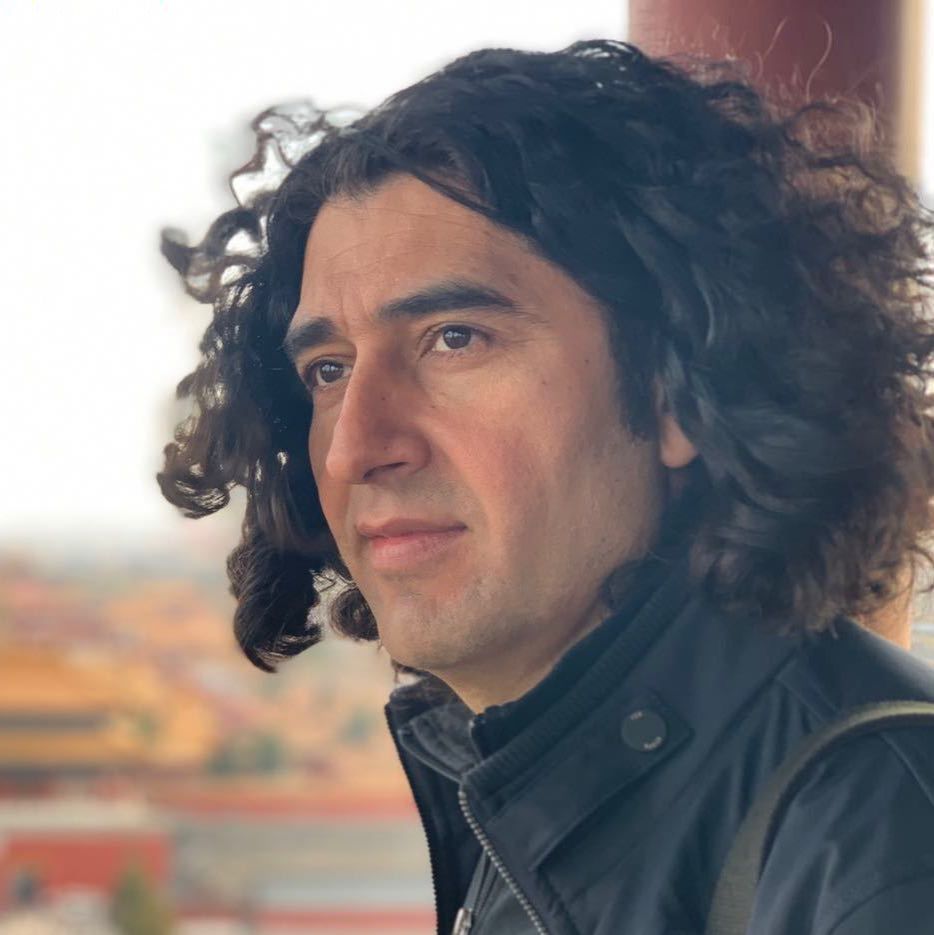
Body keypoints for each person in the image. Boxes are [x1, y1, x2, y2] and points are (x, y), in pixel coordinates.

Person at [159, 40, 934, 934]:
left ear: (678, 389)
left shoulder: (877, 842)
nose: (354, 448)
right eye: (328, 370)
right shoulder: (527, 796)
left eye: (454, 338)